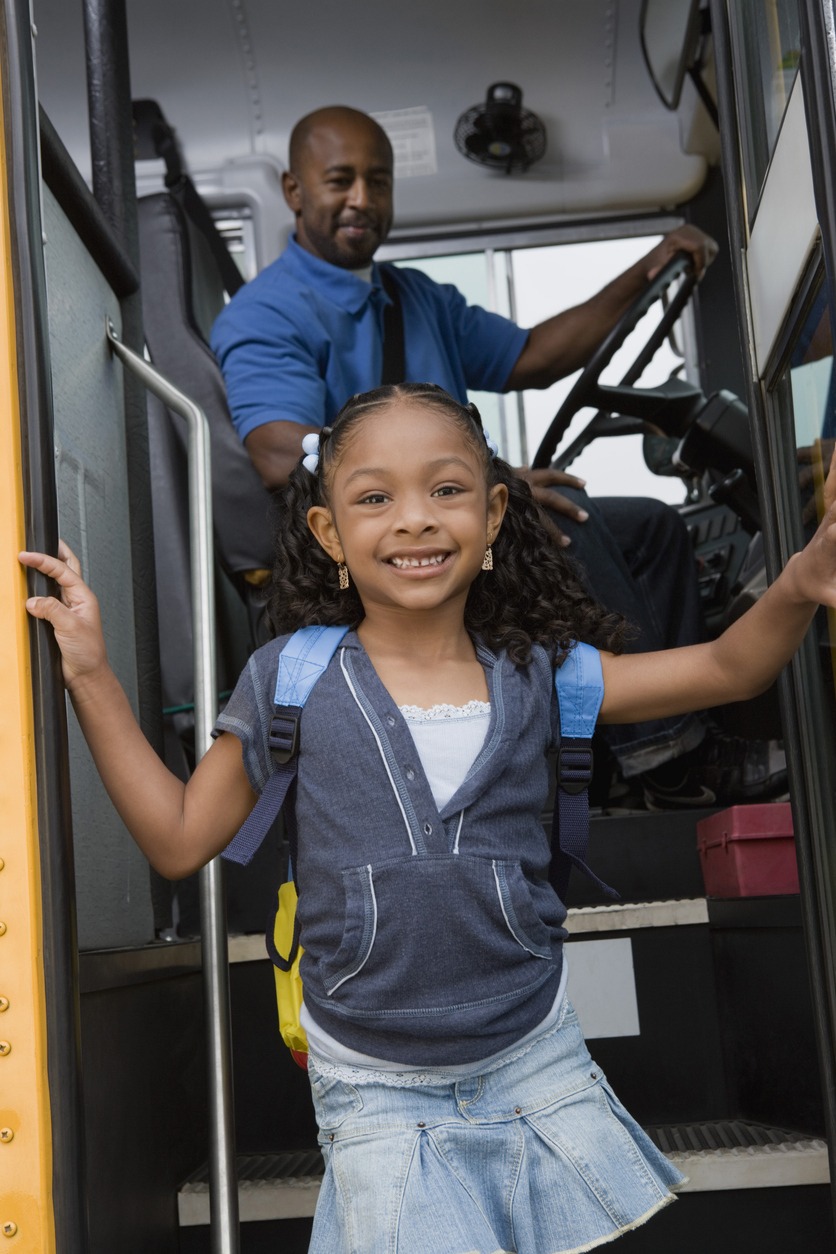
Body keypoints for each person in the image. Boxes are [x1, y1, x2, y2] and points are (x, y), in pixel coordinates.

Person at [20, 382, 836, 1253]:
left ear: (491, 517)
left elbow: (726, 670)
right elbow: (179, 839)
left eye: (446, 490)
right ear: (329, 534)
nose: (414, 519)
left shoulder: (542, 672)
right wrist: (92, 677)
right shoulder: (289, 680)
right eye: (375, 498)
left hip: (534, 1056)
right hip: (374, 1081)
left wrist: (798, 580)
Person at [210, 104, 783, 808]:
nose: (361, 198)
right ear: (294, 191)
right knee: (565, 526)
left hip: (465, 519)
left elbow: (533, 356)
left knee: (653, 529)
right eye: (340, 180)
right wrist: (473, 487)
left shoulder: (413, 297)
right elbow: (276, 450)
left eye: (377, 180)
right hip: (377, 561)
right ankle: (667, 759)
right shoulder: (267, 313)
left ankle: (640, 759)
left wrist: (646, 269)